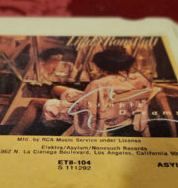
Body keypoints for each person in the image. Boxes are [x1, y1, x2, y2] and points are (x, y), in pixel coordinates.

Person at [11, 48, 152, 136]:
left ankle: (15, 134)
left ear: (104, 67)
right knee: (56, 88)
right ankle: (50, 120)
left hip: (92, 115)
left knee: (34, 102)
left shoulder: (98, 84)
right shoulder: (139, 79)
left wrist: (66, 101)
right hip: (119, 112)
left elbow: (84, 111)